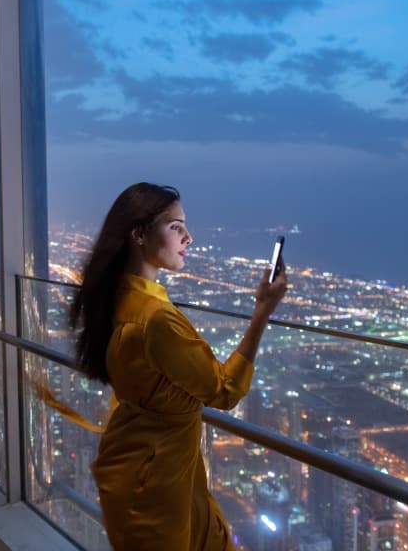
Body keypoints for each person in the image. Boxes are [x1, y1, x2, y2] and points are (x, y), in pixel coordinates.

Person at [71, 183, 287, 551]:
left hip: (132, 465)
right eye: (176, 227)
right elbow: (225, 390)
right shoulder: (156, 320)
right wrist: (262, 312)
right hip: (162, 484)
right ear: (139, 234)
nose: (189, 236)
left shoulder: (116, 298)